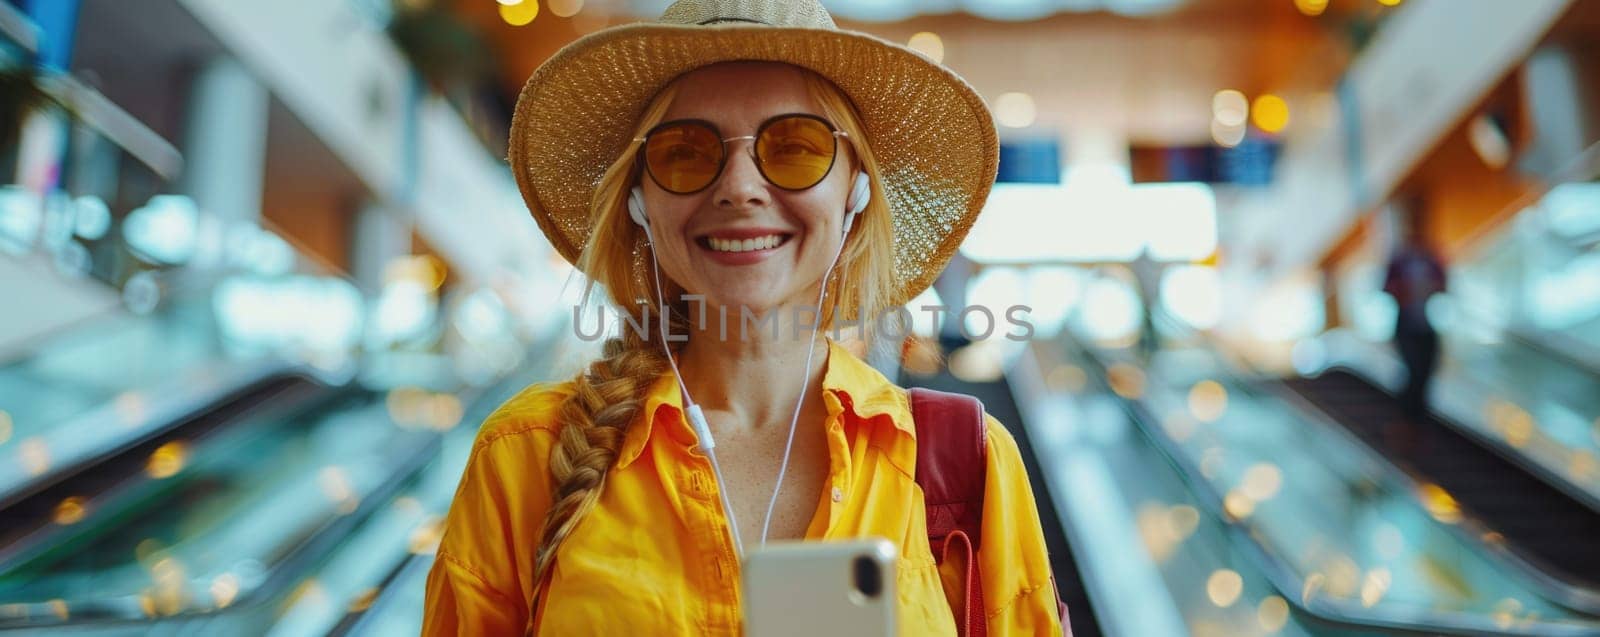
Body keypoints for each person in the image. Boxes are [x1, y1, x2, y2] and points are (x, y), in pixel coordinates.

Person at [421, 1, 1067, 635]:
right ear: (640, 201)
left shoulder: (965, 463)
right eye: (684, 151)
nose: (738, 186)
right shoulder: (525, 456)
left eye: (793, 147)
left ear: (856, 190)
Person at [1382, 200, 1447, 424]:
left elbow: (1443, 284)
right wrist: (1406, 292)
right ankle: (1406, 421)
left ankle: (1417, 421)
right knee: (1413, 372)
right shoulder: (1399, 260)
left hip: (1424, 323)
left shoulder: (1429, 257)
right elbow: (1387, 288)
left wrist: (1428, 289)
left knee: (1426, 372)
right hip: (1406, 324)